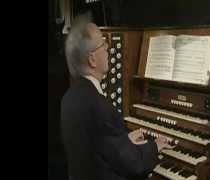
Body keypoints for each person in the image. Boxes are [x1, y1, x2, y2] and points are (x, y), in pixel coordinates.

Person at [60, 13, 174, 180]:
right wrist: (154, 146)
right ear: (92, 59)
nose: (107, 48)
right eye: (103, 43)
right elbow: (134, 165)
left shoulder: (68, 98)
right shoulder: (100, 107)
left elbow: (97, 146)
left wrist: (124, 141)